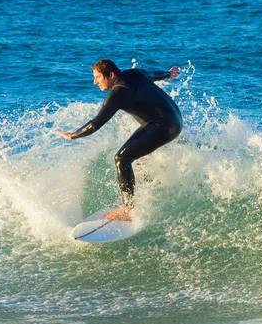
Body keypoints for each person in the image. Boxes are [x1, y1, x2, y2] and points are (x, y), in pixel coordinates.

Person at [59, 59, 182, 221]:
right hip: (175, 119)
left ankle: (127, 209)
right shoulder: (134, 73)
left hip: (162, 125)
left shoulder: (116, 95)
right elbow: (153, 74)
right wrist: (168, 74)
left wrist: (73, 135)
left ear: (110, 75)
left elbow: (95, 124)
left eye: (97, 77)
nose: (94, 82)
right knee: (136, 156)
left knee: (121, 158)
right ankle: (150, 185)